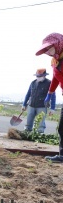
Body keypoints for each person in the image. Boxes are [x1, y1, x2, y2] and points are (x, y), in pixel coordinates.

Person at [35, 32, 63, 163]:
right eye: (46, 49)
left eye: (50, 48)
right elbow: (56, 78)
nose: (48, 51)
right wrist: (50, 93)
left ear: (58, 44)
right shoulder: (55, 61)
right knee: (62, 127)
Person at [21, 69, 56, 133]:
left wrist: (52, 108)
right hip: (31, 105)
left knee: (40, 123)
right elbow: (28, 94)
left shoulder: (49, 83)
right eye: (37, 76)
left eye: (40, 76)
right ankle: (27, 133)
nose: (38, 78)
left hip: (42, 106)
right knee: (29, 122)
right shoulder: (33, 83)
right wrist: (24, 104)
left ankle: (39, 134)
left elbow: (53, 96)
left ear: (44, 76)